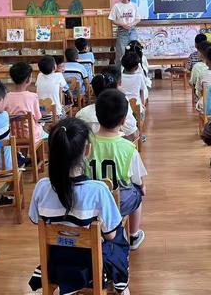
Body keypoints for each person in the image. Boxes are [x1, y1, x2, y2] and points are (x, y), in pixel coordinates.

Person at [28, 118, 130, 295]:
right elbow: (110, 235)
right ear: (88, 150)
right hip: (90, 264)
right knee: (118, 234)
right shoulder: (98, 190)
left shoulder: (42, 187)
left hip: (57, 261)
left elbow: (36, 220)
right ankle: (122, 284)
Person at [87, 89, 147, 251]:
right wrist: (142, 187)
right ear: (123, 120)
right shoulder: (128, 148)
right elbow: (137, 179)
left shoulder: (86, 144)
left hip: (90, 200)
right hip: (119, 202)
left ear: (97, 116)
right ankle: (133, 234)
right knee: (137, 194)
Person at [76, 66, 139, 141]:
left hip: (91, 151)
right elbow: (133, 135)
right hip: (119, 148)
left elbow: (80, 140)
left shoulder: (81, 114)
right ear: (115, 90)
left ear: (93, 91)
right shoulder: (121, 104)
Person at [5, 62, 45, 142]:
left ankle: (22, 154)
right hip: (31, 136)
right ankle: (36, 153)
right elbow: (37, 118)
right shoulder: (33, 97)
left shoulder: (6, 97)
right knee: (41, 128)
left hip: (12, 136)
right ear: (28, 79)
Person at [109, 0, 141, 65]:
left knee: (134, 51)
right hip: (122, 31)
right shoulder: (116, 6)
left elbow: (138, 19)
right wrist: (122, 24)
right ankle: (120, 73)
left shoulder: (134, 5)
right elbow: (112, 20)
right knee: (121, 53)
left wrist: (131, 24)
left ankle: (134, 70)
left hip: (132, 31)